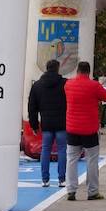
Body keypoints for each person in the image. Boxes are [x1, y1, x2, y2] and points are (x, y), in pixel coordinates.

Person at [64, 60, 106, 201]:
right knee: (91, 160)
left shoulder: (68, 85)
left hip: (72, 128)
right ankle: (92, 191)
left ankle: (71, 190)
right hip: (89, 129)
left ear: (77, 71)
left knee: (71, 159)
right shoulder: (94, 85)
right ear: (89, 72)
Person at [27, 58, 68, 188]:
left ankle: (45, 180)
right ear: (58, 68)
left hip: (46, 124)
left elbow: (32, 107)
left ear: (46, 68)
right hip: (62, 123)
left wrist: (34, 125)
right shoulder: (65, 84)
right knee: (62, 150)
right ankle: (62, 179)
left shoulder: (37, 85)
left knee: (45, 150)